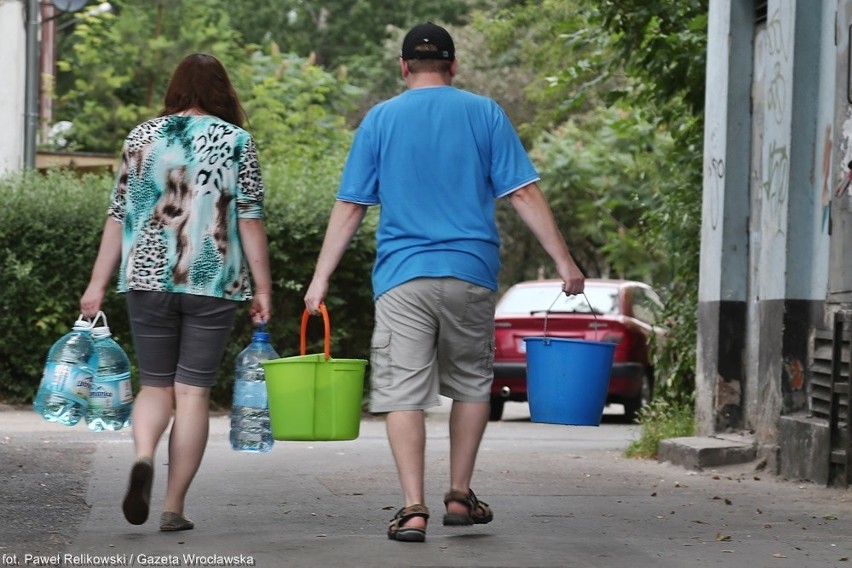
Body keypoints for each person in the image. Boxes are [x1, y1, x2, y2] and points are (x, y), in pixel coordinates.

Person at [304, 22, 584, 542]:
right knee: (472, 384)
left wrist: (320, 278)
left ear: (404, 66)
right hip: (470, 272)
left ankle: (413, 508)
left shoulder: (380, 119)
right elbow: (522, 194)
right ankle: (459, 492)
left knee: (403, 392)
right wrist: (565, 262)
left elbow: (351, 206)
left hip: (402, 277)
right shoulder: (484, 113)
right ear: (454, 66)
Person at [80, 53, 273, 532]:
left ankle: (144, 455)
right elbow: (248, 218)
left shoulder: (142, 137)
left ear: (177, 88)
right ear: (223, 91)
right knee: (192, 394)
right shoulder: (238, 142)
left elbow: (118, 214)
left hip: (146, 280)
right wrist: (263, 287)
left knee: (156, 384)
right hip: (211, 280)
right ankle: (173, 506)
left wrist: (97, 283)